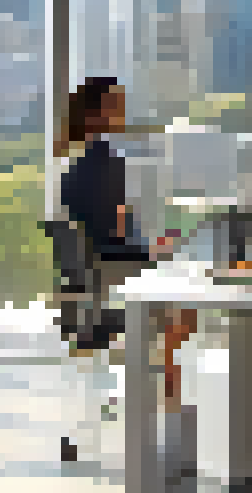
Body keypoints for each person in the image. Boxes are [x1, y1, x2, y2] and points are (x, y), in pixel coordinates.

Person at [57, 78, 192, 405]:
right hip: (111, 272)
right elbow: (108, 239)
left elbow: (112, 230)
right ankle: (167, 396)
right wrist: (150, 251)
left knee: (176, 286)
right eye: (113, 103)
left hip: (104, 273)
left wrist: (146, 246)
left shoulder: (83, 163)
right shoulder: (101, 164)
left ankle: (159, 391)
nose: (121, 110)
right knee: (185, 306)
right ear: (94, 114)